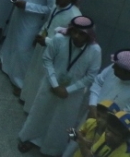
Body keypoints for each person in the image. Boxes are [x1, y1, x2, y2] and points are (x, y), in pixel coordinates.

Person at [18, 17, 102, 155]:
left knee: (62, 121)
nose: (76, 36)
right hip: (50, 85)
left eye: (81, 34)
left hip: (73, 94)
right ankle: (30, 139)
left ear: (88, 35)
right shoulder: (59, 39)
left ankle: (51, 149)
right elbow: (47, 59)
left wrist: (68, 90)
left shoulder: (95, 51)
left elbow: (91, 76)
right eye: (74, 31)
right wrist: (55, 84)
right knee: (40, 112)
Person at [20, 0, 84, 111]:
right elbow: (48, 22)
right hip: (42, 46)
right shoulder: (56, 5)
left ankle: (32, 108)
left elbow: (69, 41)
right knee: (34, 72)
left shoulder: (75, 16)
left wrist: (47, 41)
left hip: (54, 53)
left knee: (42, 79)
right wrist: (41, 34)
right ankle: (25, 97)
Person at [0, 0, 56, 90]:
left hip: (32, 21)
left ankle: (20, 83)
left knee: (23, 49)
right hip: (18, 13)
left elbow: (50, 9)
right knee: (11, 39)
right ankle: (6, 65)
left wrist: (27, 6)